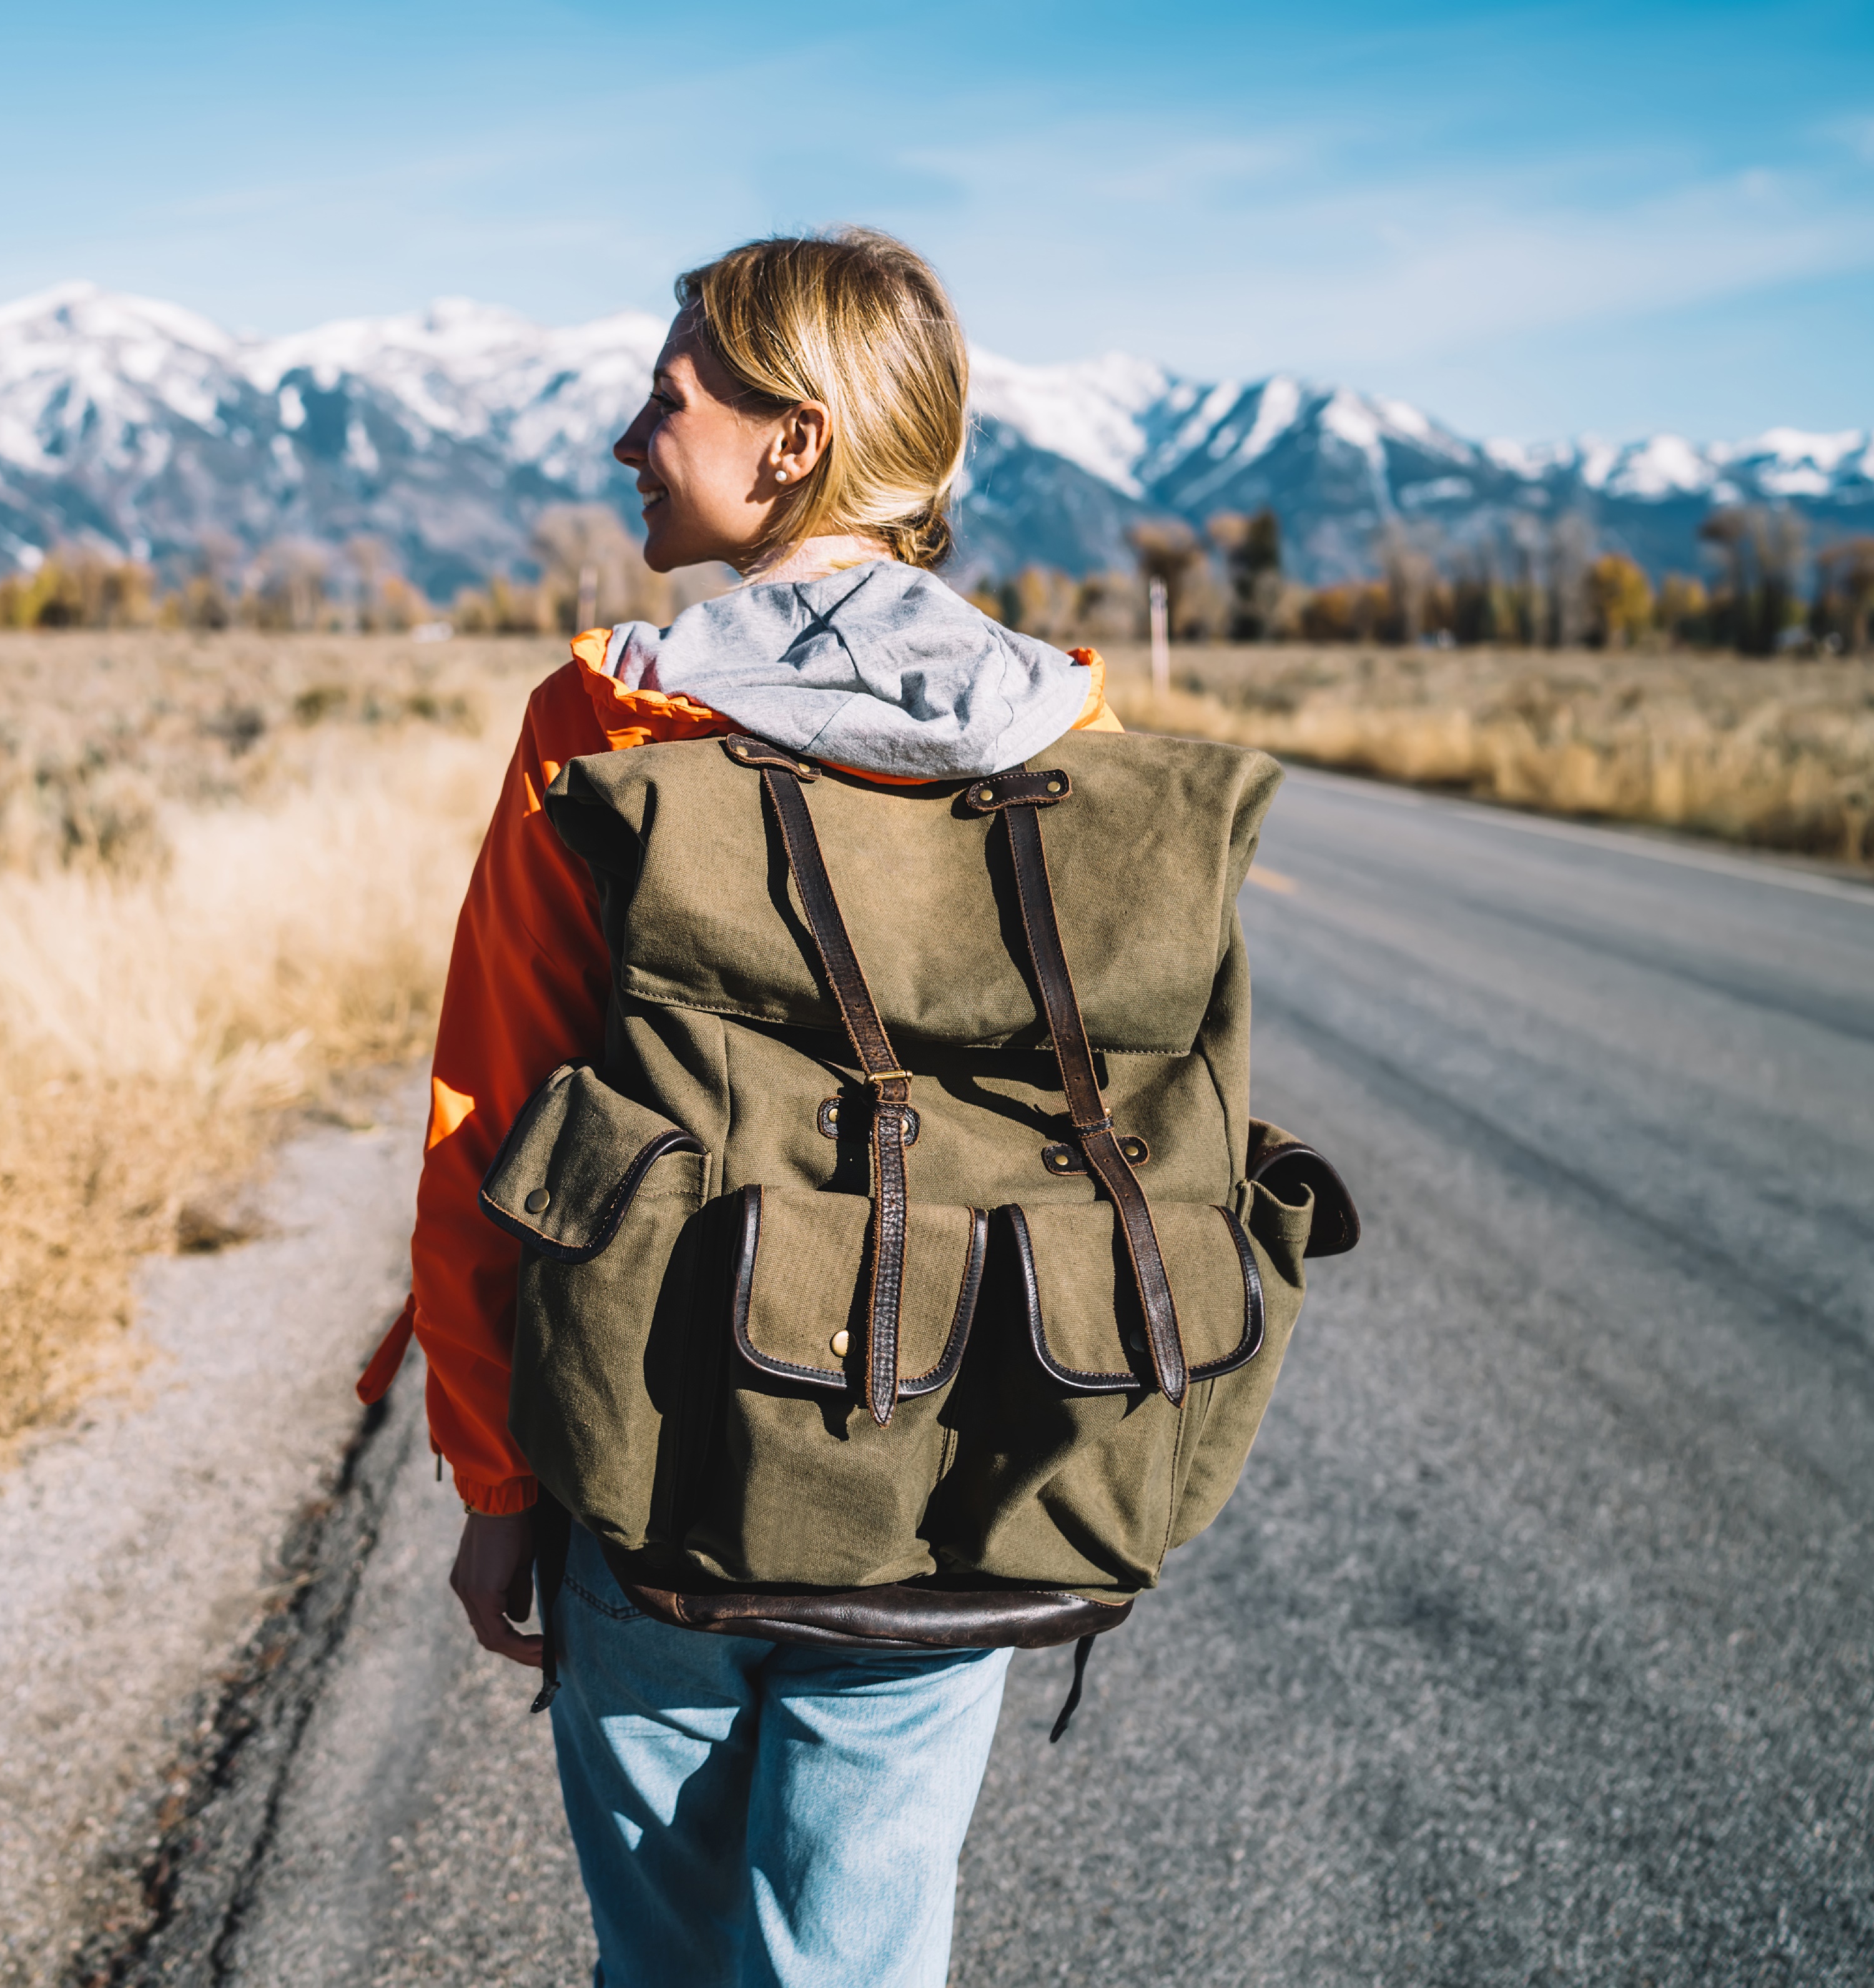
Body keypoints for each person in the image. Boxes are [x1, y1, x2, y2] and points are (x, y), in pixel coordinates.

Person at [353, 229, 1128, 1985]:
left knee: (673, 1961)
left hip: (658, 1466)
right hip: (953, 1459)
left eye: (667, 396)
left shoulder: (610, 724)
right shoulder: (1057, 724)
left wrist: (491, 1482)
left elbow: (487, 1126)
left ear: (793, 441)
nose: (629, 438)